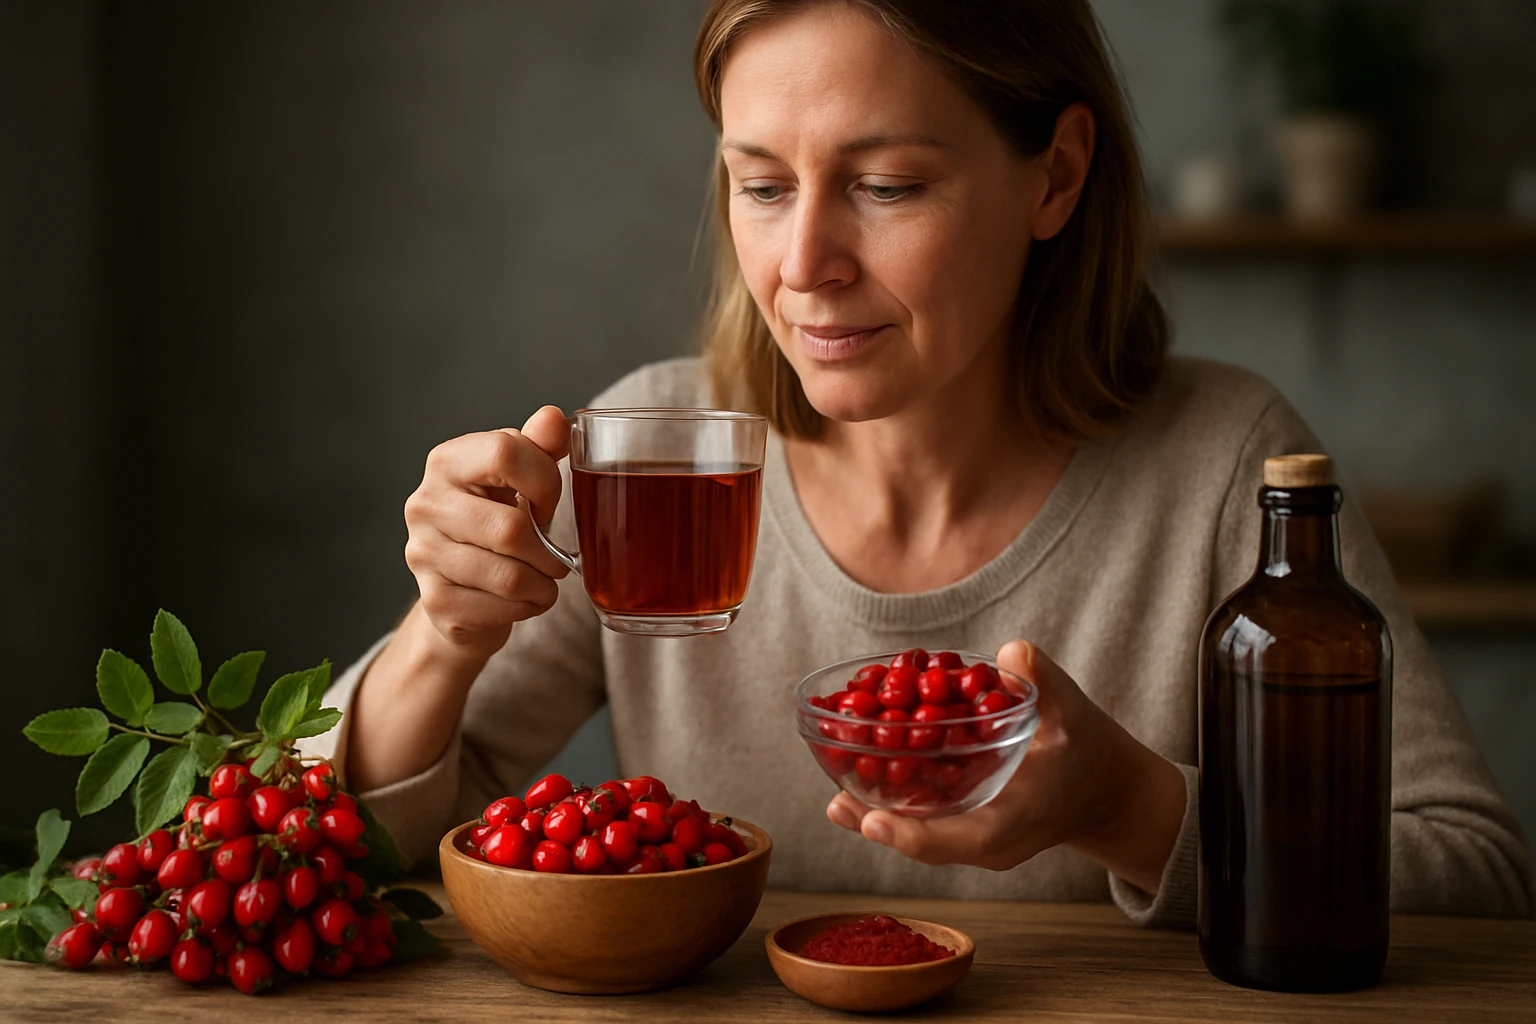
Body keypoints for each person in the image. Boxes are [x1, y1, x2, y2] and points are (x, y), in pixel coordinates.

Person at [305, 0, 1533, 923]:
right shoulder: (657, 454)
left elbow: (1479, 875)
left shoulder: (1226, 464)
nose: (803, 264)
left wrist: (1130, 808)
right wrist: (442, 636)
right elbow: (325, 847)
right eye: (761, 186)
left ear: (1056, 176)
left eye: (887, 185)